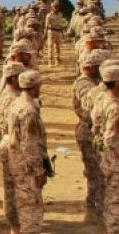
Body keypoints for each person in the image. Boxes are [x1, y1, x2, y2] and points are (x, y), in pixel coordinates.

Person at [8, 70, 48, 234]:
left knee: (24, 205)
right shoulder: (28, 111)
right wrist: (38, 171)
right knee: (31, 210)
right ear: (35, 86)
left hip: (18, 163)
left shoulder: (17, 103)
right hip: (28, 167)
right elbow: (29, 144)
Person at [74, 50, 110, 224]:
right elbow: (90, 104)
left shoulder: (95, 81)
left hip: (96, 134)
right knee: (95, 174)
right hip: (88, 134)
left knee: (101, 174)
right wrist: (106, 84)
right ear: (92, 67)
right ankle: (92, 209)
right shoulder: (83, 83)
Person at [0, 61, 26, 233]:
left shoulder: (6, 95)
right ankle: (16, 224)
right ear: (13, 78)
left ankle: (15, 223)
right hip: (14, 145)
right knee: (15, 187)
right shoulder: (12, 99)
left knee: (11, 186)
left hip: (7, 142)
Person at [100, 64, 119, 234]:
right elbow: (111, 138)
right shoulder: (115, 108)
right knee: (115, 200)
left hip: (108, 159)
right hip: (115, 161)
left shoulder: (102, 98)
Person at [44, 1, 64, 67]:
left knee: (57, 47)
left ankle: (57, 60)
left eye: (57, 6)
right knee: (50, 47)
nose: (56, 8)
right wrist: (45, 34)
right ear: (52, 7)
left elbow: (61, 25)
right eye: (55, 6)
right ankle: (50, 61)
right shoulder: (49, 15)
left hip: (58, 32)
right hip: (51, 32)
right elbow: (46, 26)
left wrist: (62, 33)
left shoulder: (60, 15)